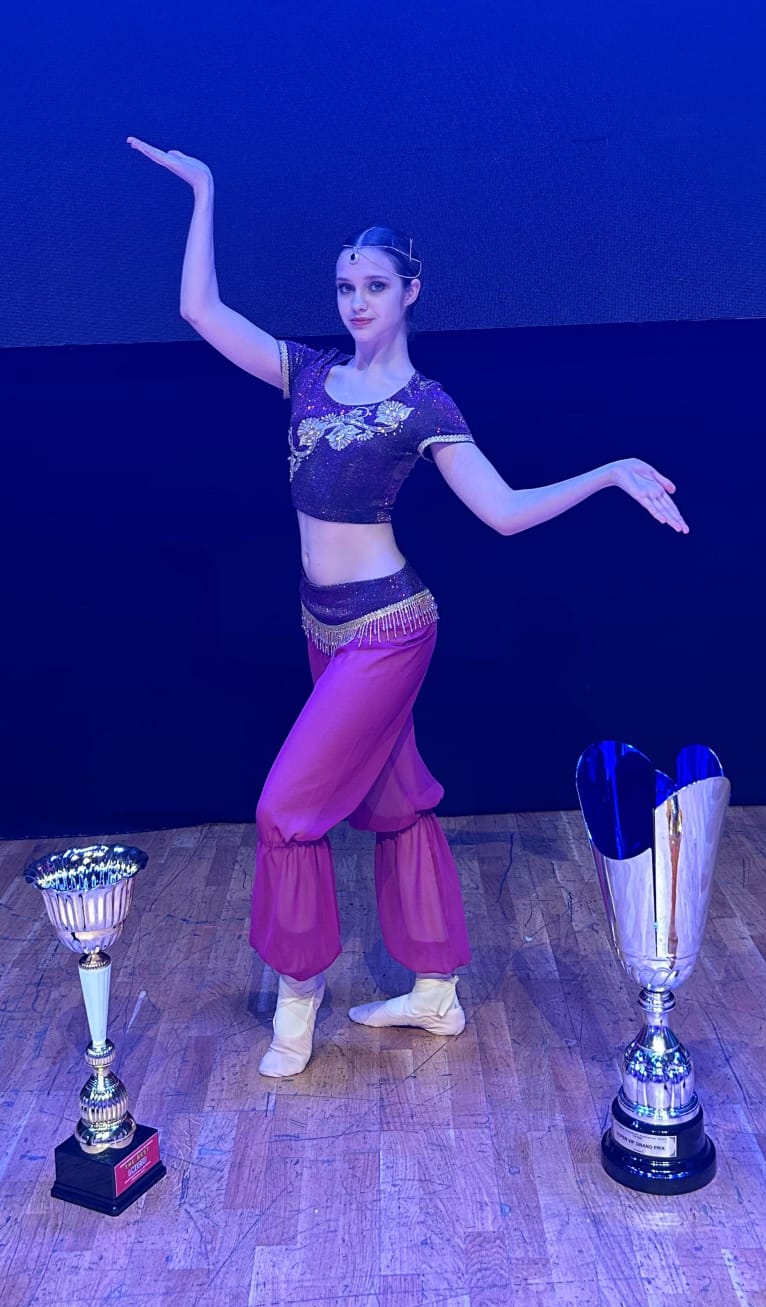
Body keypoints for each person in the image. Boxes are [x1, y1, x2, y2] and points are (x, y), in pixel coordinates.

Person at [127, 137, 690, 1078]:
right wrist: (205, 190)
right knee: (395, 801)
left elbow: (502, 512)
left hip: (390, 629)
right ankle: (435, 991)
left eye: (375, 287)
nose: (356, 302)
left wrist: (607, 472)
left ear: (409, 292)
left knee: (285, 812)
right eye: (345, 286)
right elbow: (199, 309)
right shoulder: (306, 373)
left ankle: (298, 1000)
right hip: (319, 625)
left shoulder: (427, 406)